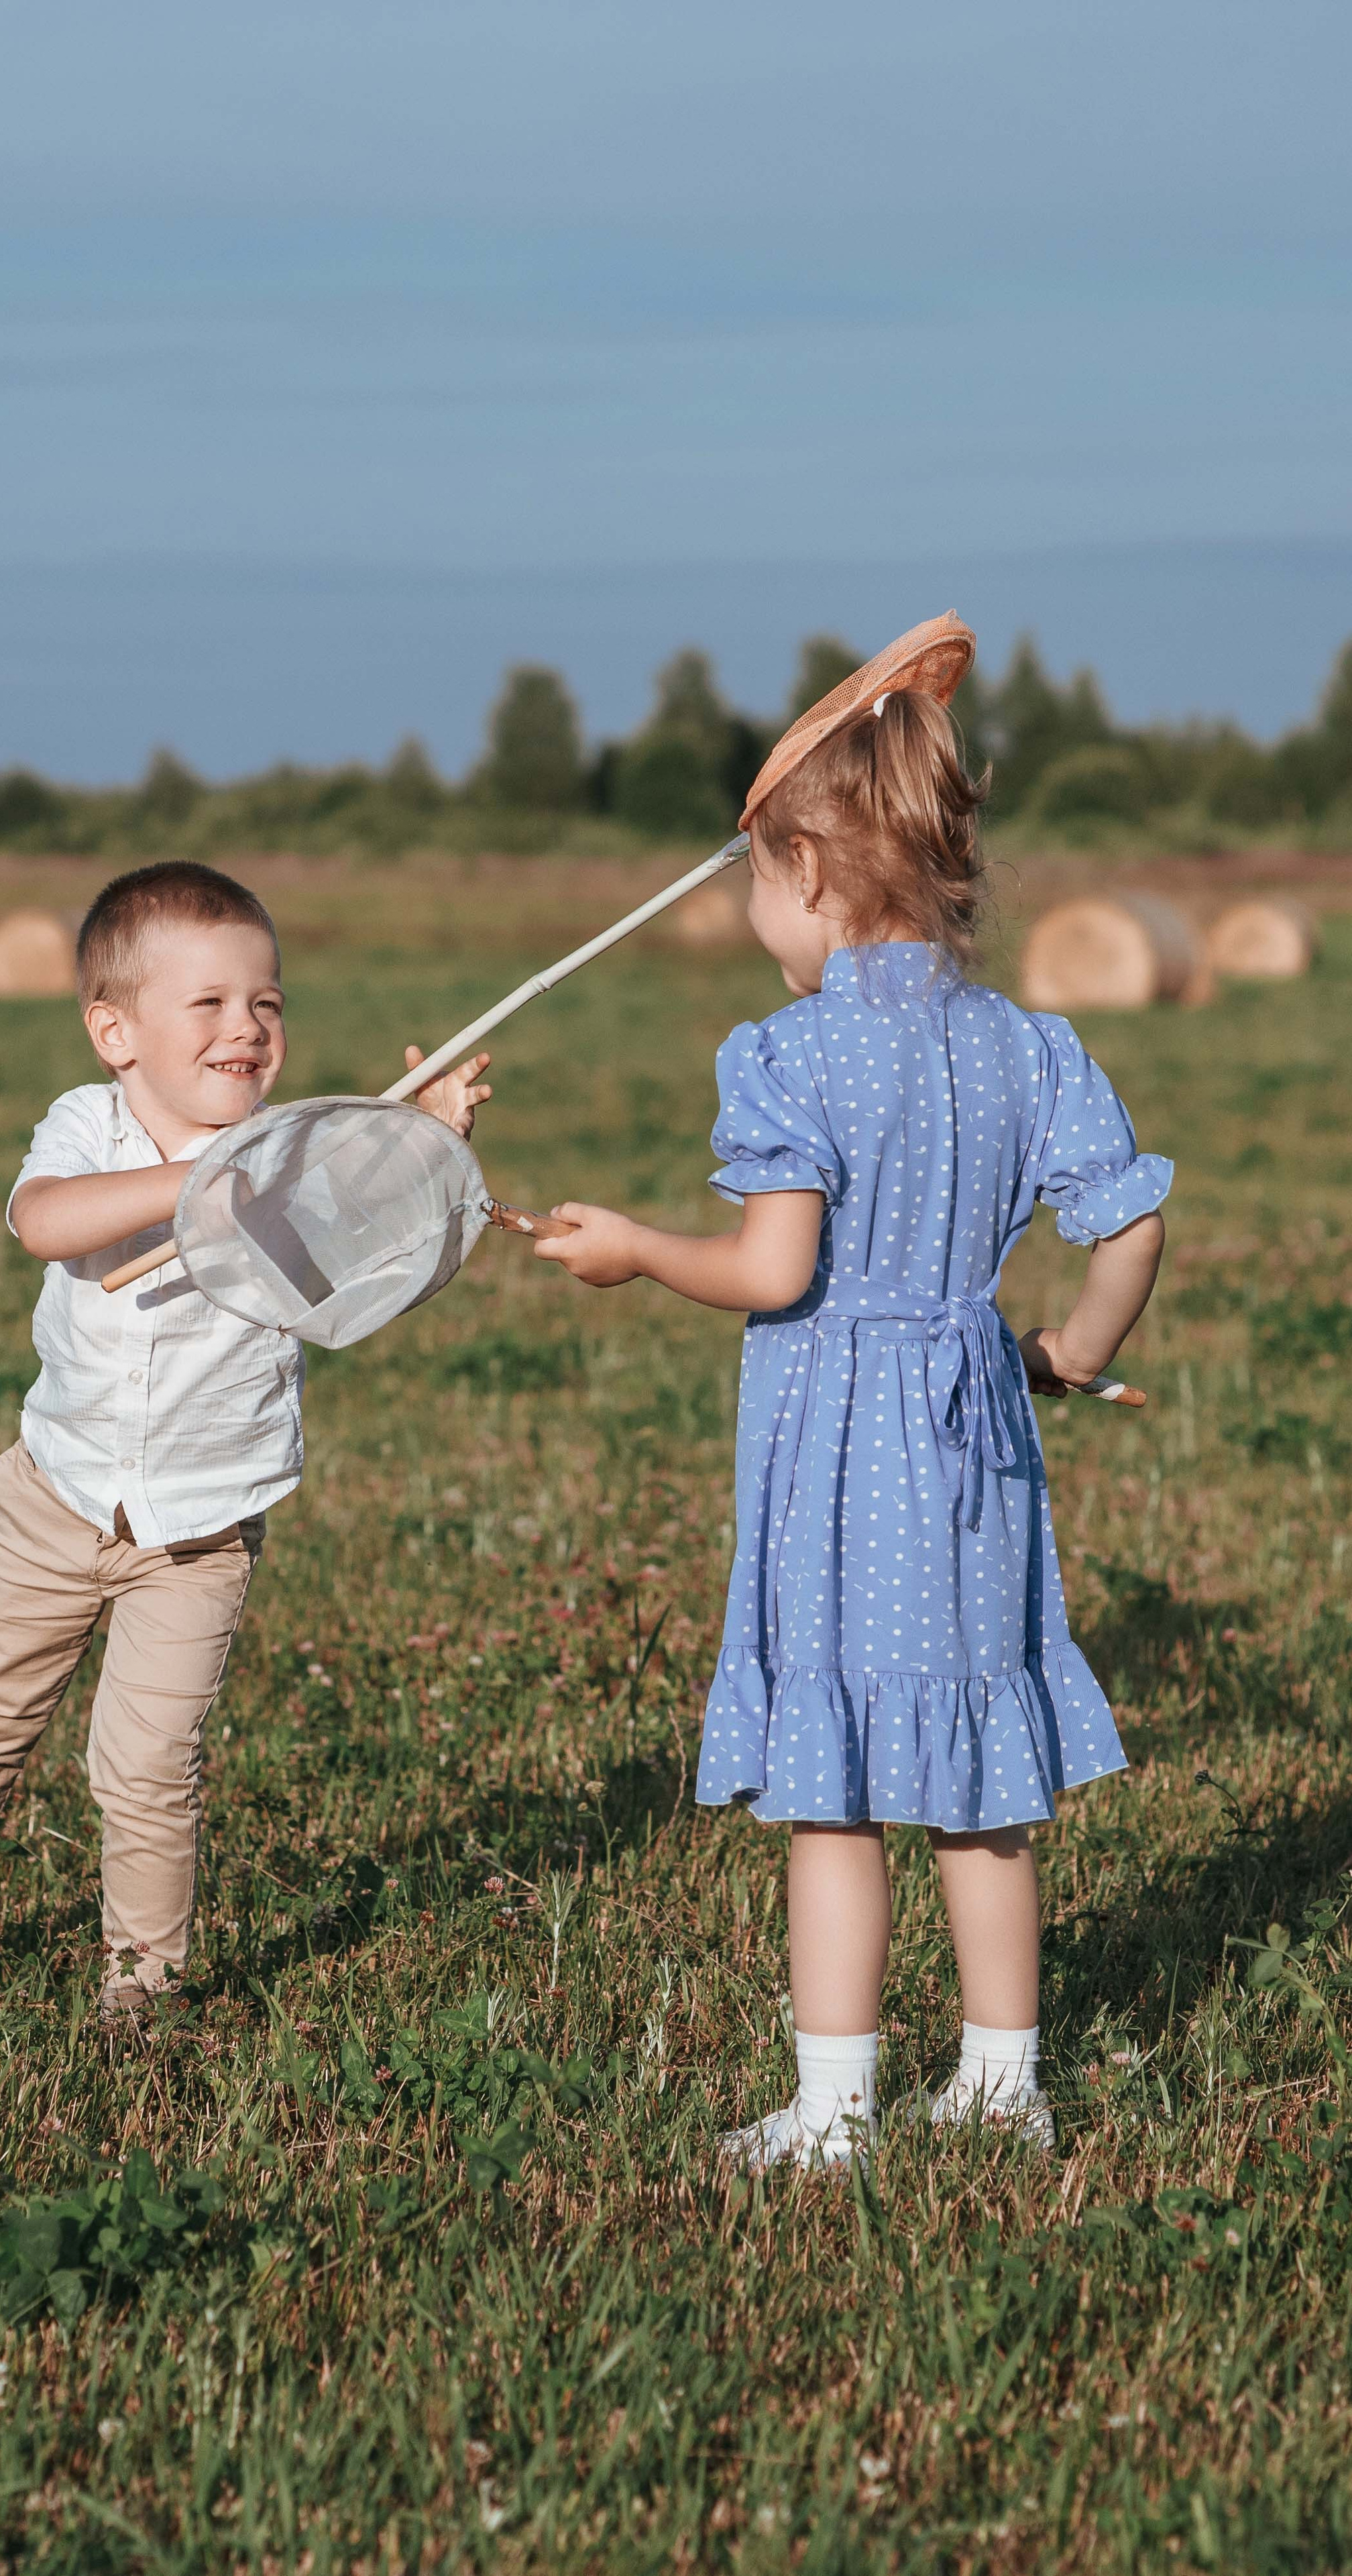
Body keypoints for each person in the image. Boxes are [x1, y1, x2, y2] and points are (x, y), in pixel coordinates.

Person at [534, 678, 1168, 2166]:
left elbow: (774, 1269)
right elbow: (1126, 1225)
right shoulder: (1030, 1046)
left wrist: (636, 1251)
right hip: (976, 1437)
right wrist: (1068, 1350)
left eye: (756, 877)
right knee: (974, 1779)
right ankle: (1002, 2088)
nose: (757, 911)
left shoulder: (789, 1053)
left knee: (835, 1796)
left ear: (808, 873)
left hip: (841, 1453)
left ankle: (832, 2113)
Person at [0, 861, 490, 2023]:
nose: (248, 1028)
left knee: (141, 1769)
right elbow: (43, 1223)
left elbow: (356, 1272)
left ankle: (145, 1982)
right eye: (213, 1004)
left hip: (198, 1535)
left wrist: (409, 1148)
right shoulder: (89, 1126)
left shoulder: (290, 1153)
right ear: (115, 1031)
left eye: (267, 1004)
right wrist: (193, 1180)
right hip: (55, 1501)